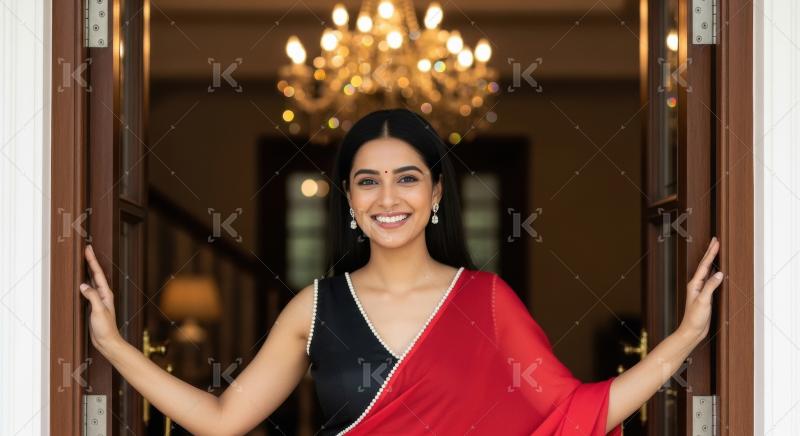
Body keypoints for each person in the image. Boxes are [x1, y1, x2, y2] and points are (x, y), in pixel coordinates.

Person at [79, 108, 723, 435]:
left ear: (436, 192)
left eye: (407, 178)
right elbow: (221, 422)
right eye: (368, 182)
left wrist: (689, 335)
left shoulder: (487, 300)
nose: (389, 199)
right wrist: (110, 344)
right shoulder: (315, 308)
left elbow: (579, 412)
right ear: (350, 200)